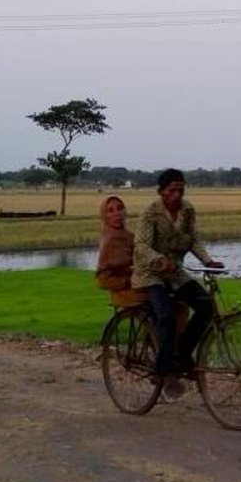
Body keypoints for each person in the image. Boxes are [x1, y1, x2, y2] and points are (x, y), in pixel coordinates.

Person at [132, 168, 224, 398]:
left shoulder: (188, 210)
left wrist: (208, 261)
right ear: (161, 192)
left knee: (206, 306)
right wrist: (160, 260)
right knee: (166, 316)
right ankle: (162, 372)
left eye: (181, 189)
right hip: (151, 273)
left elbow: (193, 238)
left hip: (176, 273)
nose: (177, 194)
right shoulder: (150, 213)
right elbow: (141, 247)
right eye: (172, 190)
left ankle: (181, 357)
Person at [94, 195, 146, 307]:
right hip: (127, 292)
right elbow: (102, 280)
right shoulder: (111, 240)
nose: (117, 213)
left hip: (138, 284)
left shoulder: (128, 235)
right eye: (110, 211)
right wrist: (129, 281)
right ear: (104, 216)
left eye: (120, 208)